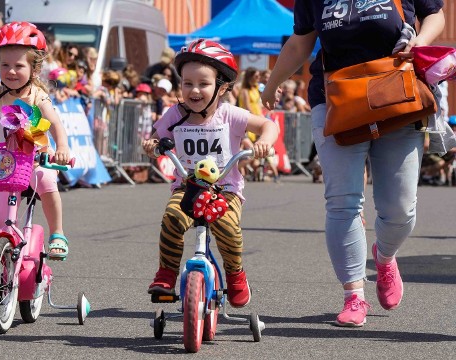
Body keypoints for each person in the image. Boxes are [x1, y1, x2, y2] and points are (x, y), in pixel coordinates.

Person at [261, 0, 445, 327]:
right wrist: (273, 83)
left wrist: (421, 40)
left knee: (401, 208)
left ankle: (385, 257)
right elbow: (302, 39)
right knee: (342, 202)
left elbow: (435, 14)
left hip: (398, 93)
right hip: (335, 98)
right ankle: (354, 294)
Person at [141, 39, 279, 307]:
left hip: (225, 190)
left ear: (222, 86)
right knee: (172, 218)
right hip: (188, 187)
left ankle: (235, 273)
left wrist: (264, 142)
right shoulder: (175, 114)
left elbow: (267, 125)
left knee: (227, 226)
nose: (194, 90)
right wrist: (152, 146)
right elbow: (155, 139)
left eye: (203, 84)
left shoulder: (229, 114)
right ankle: (166, 272)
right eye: (187, 83)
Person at [0, 22, 73, 307]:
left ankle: (58, 233)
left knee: (47, 181)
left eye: (18, 66)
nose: (11, 72)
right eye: (4, 65)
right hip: (8, 165)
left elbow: (57, 126)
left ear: (35, 69)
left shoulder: (37, 95)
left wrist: (61, 148)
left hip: (37, 159)